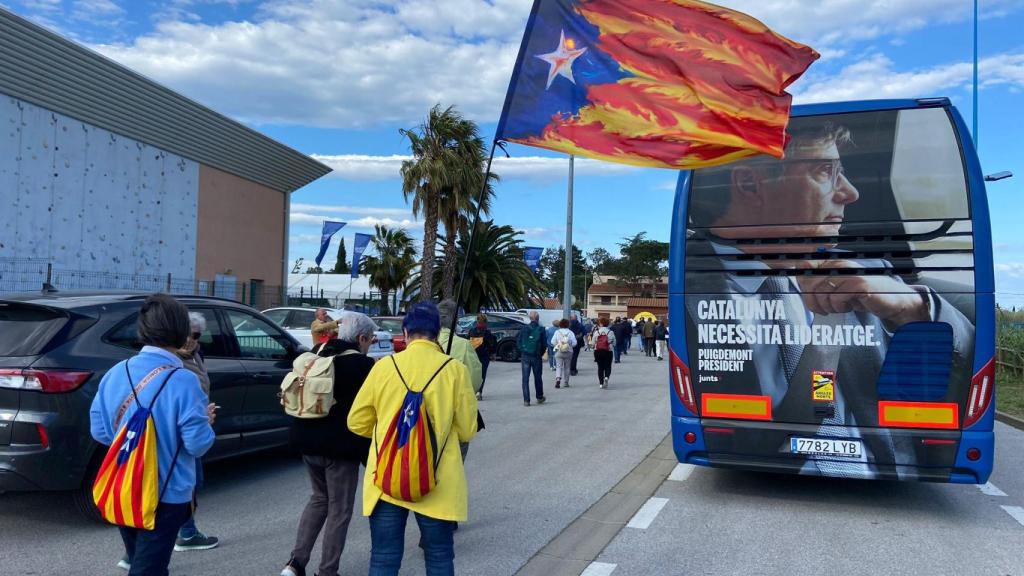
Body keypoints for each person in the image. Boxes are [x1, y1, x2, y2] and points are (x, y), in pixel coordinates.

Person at [684, 120, 975, 478]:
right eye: (826, 171)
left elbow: (966, 365)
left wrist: (912, 306)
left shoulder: (869, 275)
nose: (850, 192)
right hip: (758, 469)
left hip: (889, 472)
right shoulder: (686, 291)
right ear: (749, 184)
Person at [348, 301, 478, 576]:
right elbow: (467, 430)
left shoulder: (384, 367)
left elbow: (356, 422)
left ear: (405, 332)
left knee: (384, 557)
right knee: (439, 556)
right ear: (437, 332)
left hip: (386, 479)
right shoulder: (454, 371)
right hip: (438, 482)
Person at [90, 294, 215, 576]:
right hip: (166, 493)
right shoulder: (184, 380)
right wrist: (206, 423)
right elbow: (197, 445)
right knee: (149, 569)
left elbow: (99, 431)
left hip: (124, 485)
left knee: (143, 562)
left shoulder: (115, 373)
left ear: (143, 329)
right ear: (182, 332)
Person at [281, 313, 378, 576]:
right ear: (361, 338)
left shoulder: (317, 352)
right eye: (370, 340)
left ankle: (295, 563)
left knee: (318, 499)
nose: (370, 345)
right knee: (340, 509)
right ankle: (327, 571)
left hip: (306, 440)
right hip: (340, 449)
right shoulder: (362, 365)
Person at [172, 312, 219, 553]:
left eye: (197, 335)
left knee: (190, 482)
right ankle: (186, 533)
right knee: (185, 483)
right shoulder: (172, 360)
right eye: (188, 335)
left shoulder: (194, 354)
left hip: (195, 424)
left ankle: (187, 531)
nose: (192, 340)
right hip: (180, 430)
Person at [517, 312, 547, 406]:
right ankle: (539, 397)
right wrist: (540, 353)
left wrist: (523, 351)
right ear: (538, 318)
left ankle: (526, 400)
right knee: (538, 377)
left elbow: (518, 342)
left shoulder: (524, 328)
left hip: (525, 356)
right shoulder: (541, 329)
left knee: (525, 379)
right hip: (536, 356)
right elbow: (544, 344)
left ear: (530, 318)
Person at [467, 314, 495, 400]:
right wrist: (493, 354)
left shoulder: (472, 331)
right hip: (484, 356)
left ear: (477, 321)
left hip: (473, 355)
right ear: (485, 322)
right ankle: (479, 392)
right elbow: (491, 345)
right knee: (482, 374)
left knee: (472, 373)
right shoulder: (487, 332)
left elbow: (467, 342)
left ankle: (472, 391)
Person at [550, 319, 577, 389]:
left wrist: (558, 344)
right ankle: (566, 382)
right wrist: (569, 344)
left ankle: (558, 379)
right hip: (569, 352)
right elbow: (575, 343)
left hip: (559, 351)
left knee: (558, 366)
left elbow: (552, 342)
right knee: (567, 367)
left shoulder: (557, 332)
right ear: (568, 325)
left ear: (560, 324)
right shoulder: (571, 332)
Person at [590, 317, 616, 388]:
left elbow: (592, 343)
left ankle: (601, 383)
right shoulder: (610, 332)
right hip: (608, 351)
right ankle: (606, 377)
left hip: (598, 351)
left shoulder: (596, 332)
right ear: (607, 324)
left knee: (600, 367)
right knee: (608, 366)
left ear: (600, 324)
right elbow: (614, 343)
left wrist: (593, 346)